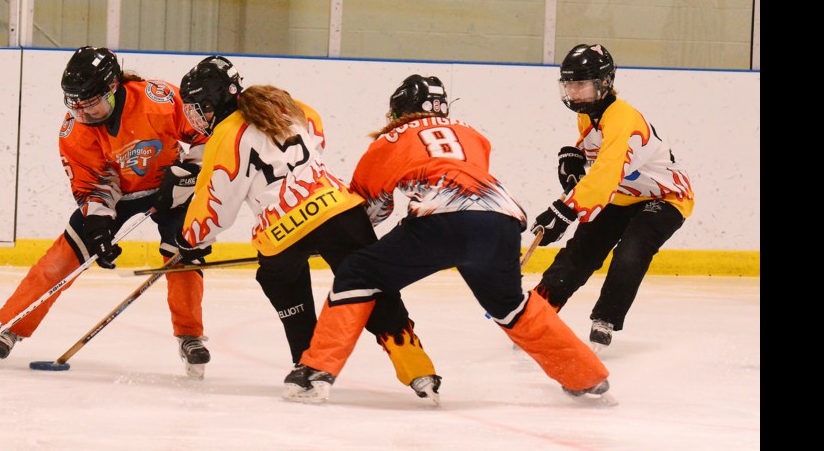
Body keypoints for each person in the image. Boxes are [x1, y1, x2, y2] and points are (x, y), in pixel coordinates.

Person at [282, 74, 613, 404]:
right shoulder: (473, 135)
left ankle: (315, 372)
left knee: (357, 273)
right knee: (511, 307)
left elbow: (369, 210)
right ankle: (586, 376)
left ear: (399, 110)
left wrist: (325, 242)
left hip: (442, 221)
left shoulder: (390, 139)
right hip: (502, 220)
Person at [173, 56, 441, 403]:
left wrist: (190, 240)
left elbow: (217, 203)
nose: (198, 116)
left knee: (280, 279)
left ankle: (307, 366)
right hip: (340, 210)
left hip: (283, 227)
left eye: (199, 107)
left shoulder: (225, 135)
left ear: (212, 101)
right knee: (373, 287)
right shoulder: (289, 106)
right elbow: (316, 136)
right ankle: (419, 369)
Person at [0, 46, 212, 378]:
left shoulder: (159, 100)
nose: (86, 116)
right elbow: (92, 186)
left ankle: (190, 335)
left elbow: (211, 138)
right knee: (64, 256)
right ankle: (12, 326)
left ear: (113, 87)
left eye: (93, 106)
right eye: (78, 108)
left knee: (183, 252)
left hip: (170, 187)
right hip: (116, 195)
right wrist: (98, 227)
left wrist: (185, 174)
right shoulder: (74, 132)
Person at [530, 43, 694, 352]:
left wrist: (566, 209)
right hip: (621, 196)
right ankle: (538, 312)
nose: (574, 92)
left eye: (582, 84)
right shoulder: (589, 113)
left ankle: (605, 318)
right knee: (581, 251)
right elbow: (596, 151)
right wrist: (575, 156)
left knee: (631, 250)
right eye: (570, 84)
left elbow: (607, 171)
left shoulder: (623, 118)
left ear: (604, 83)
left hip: (665, 198)